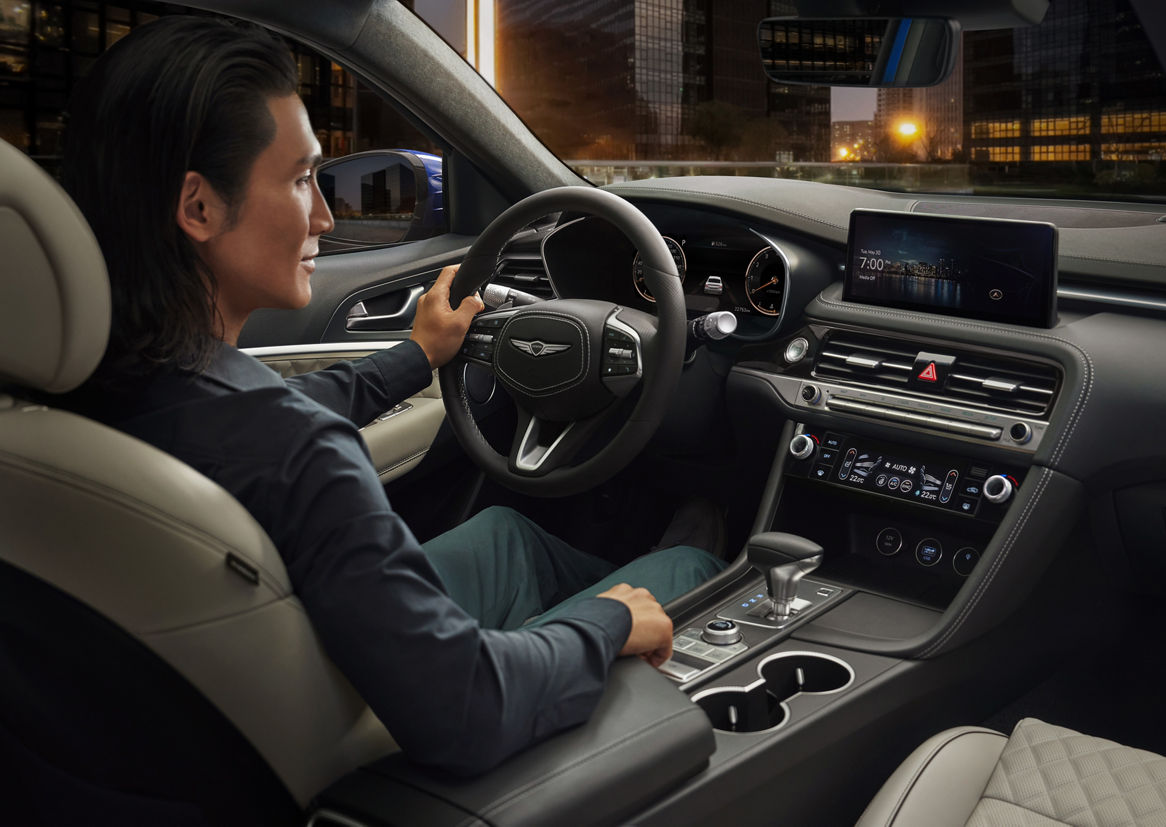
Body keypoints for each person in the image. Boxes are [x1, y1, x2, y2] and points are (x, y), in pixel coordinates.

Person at [57, 15, 725, 775]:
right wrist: (608, 624)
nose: (326, 216)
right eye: (303, 178)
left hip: (186, 719)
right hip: (353, 739)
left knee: (507, 531)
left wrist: (416, 355)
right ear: (199, 207)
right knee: (677, 580)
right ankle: (699, 556)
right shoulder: (290, 451)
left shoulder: (84, 385)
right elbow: (469, 710)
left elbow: (263, 421)